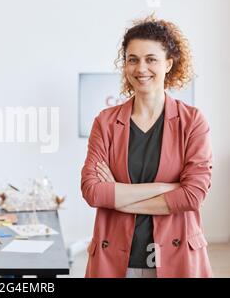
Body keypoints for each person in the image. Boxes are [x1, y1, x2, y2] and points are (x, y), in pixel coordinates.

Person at [81, 16, 212, 278]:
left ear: (168, 64)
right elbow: (93, 192)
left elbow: (192, 195)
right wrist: (166, 189)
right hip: (116, 257)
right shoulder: (106, 122)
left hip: (177, 258)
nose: (141, 68)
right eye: (133, 59)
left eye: (151, 59)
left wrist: (119, 198)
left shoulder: (192, 121)